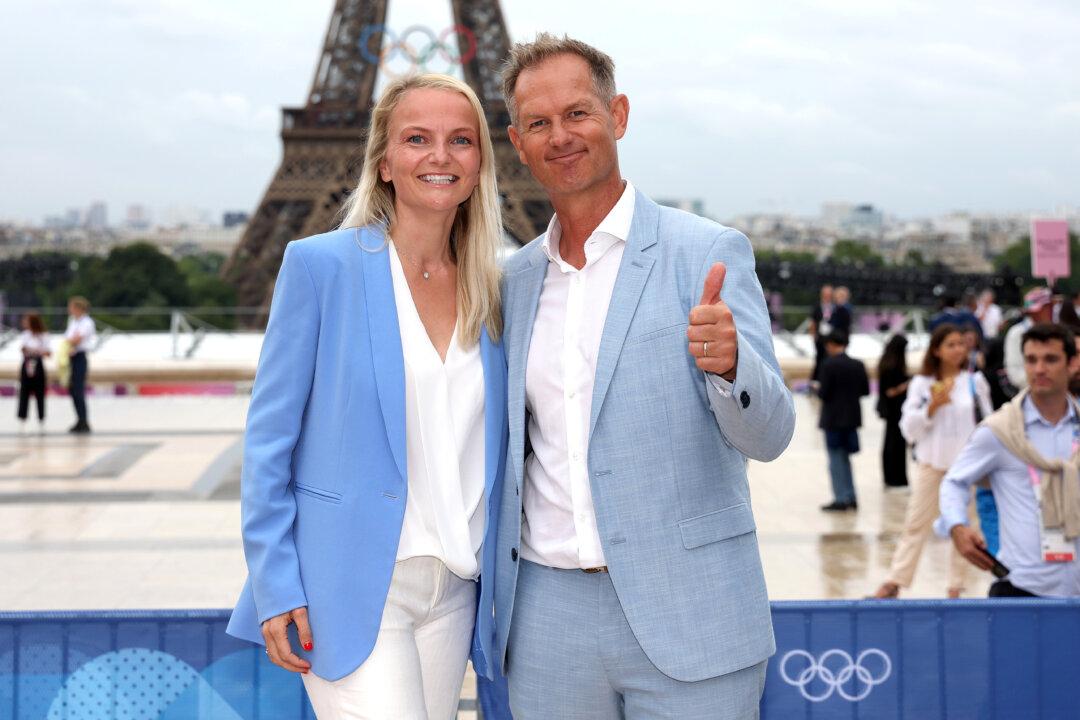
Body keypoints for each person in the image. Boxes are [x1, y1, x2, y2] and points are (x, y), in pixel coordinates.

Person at [495, 34, 795, 718]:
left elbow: (772, 433)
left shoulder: (706, 253)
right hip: (548, 624)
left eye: (578, 113)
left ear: (618, 115)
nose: (560, 136)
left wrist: (731, 365)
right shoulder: (512, 283)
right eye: (538, 123)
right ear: (516, 141)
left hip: (693, 611)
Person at [226, 74, 509, 719]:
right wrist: (275, 585)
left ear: (480, 163)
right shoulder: (320, 267)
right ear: (383, 160)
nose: (440, 156)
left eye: (460, 141)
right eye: (417, 139)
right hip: (351, 586)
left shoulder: (497, 287)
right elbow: (270, 438)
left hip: (456, 587)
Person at [942, 324, 1080, 597]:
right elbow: (954, 482)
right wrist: (957, 526)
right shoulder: (999, 431)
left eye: (1050, 359)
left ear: (1073, 363)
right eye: (1031, 360)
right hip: (1022, 589)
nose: (1039, 369)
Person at [872, 323, 992, 599]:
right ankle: (895, 580)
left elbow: (988, 423)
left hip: (966, 468)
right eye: (950, 344)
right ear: (936, 350)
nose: (957, 349)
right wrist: (932, 406)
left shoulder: (975, 382)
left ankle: (956, 585)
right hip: (931, 464)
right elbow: (908, 428)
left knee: (964, 527)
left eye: (961, 343)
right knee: (916, 523)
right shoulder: (921, 384)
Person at [818, 331, 870, 510]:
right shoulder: (857, 365)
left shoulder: (828, 365)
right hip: (852, 419)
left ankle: (841, 498)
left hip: (833, 419)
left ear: (831, 345)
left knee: (835, 460)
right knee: (846, 459)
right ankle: (851, 496)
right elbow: (865, 391)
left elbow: (823, 393)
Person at [1004, 287, 1054, 391]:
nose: (1049, 311)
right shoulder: (1017, 333)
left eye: (1049, 306)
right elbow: (1015, 372)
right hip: (1029, 393)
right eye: (1045, 307)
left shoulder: (1057, 331)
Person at [877, 333, 910, 488]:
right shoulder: (892, 367)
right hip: (895, 410)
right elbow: (890, 391)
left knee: (891, 443)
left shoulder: (886, 363)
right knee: (895, 445)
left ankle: (892, 478)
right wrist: (906, 385)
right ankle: (896, 478)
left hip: (892, 411)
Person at [64, 296, 96, 434]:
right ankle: (79, 419)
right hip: (72, 357)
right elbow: (68, 339)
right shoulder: (73, 321)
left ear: (78, 308)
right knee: (73, 390)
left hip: (80, 357)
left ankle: (84, 420)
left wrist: (71, 341)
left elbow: (76, 340)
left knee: (78, 389)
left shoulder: (87, 322)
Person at [16, 312, 51, 435]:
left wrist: (38, 351)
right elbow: (22, 348)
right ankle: (22, 420)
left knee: (40, 393)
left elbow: (48, 352)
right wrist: (28, 350)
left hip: (38, 365)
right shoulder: (25, 335)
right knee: (24, 393)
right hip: (26, 365)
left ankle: (41, 421)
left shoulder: (43, 335)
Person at [809, 285, 834, 383]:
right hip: (820, 337)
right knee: (820, 358)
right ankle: (816, 379)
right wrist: (813, 335)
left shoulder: (834, 306)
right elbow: (813, 322)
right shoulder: (817, 306)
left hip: (831, 336)